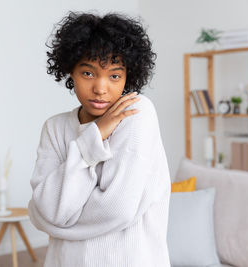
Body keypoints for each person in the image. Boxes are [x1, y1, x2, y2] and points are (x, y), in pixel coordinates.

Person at [28, 11, 171, 267]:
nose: (101, 88)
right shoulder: (54, 127)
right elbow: (44, 212)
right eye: (89, 73)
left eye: (115, 75)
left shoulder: (137, 113)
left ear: (129, 77)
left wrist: (60, 221)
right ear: (70, 70)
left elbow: (117, 210)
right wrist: (95, 136)